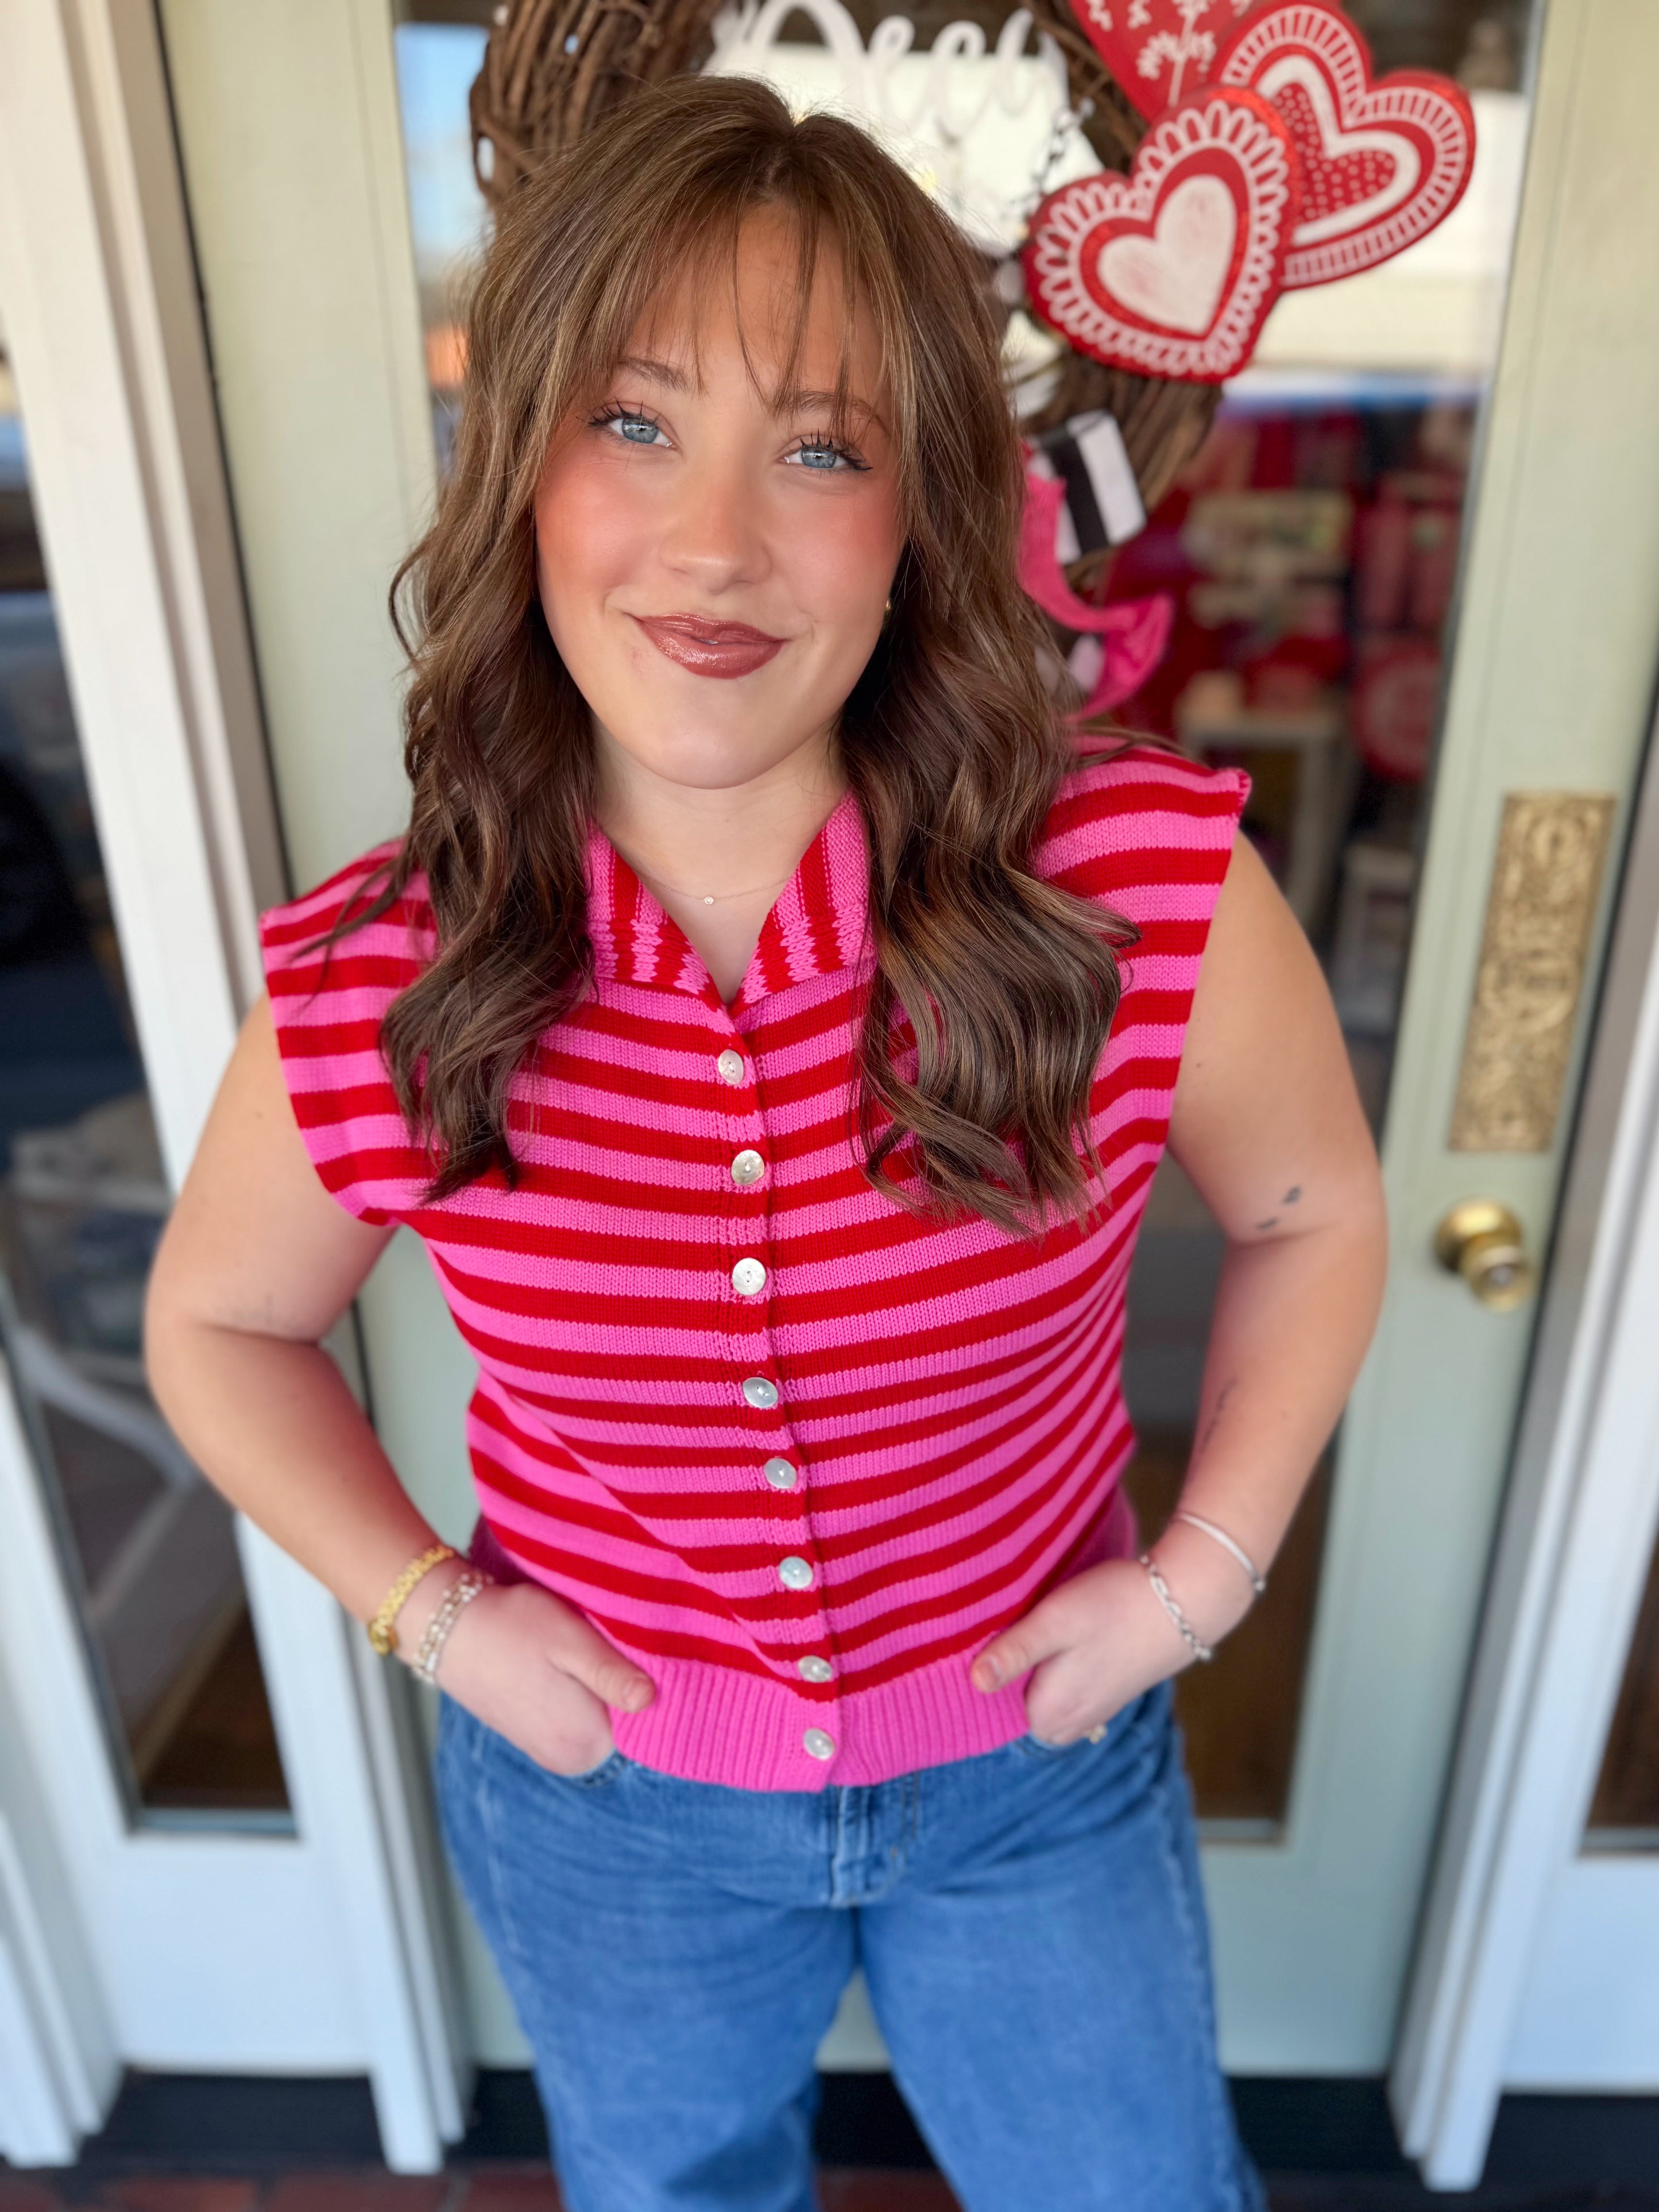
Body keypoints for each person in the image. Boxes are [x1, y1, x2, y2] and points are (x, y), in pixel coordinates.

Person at [146, 74, 1387, 2212]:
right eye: (633, 422)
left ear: (922, 519)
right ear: (516, 470)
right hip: (611, 1814)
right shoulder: (387, 968)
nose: (716, 542)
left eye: (821, 449)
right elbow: (217, 1324)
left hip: (1036, 1780)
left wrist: (1201, 1575)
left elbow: (1313, 1206)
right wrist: (436, 1617)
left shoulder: (1130, 881)